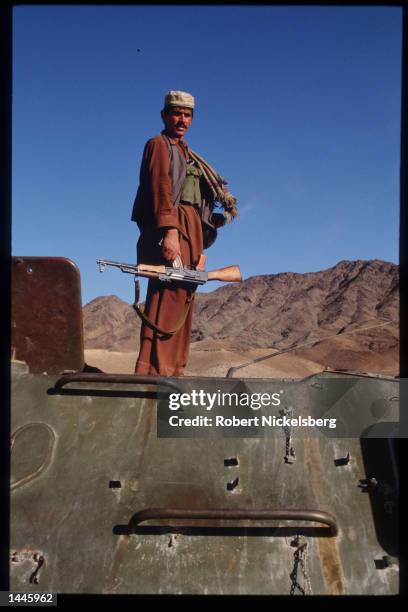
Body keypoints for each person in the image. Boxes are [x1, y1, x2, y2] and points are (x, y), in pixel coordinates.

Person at [131, 90, 237, 376]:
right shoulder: (158, 144)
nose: (182, 119)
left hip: (191, 226)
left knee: (184, 292)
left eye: (187, 115)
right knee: (168, 292)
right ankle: (155, 369)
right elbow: (161, 188)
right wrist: (170, 231)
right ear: (165, 116)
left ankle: (175, 367)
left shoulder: (187, 152)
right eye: (176, 114)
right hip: (173, 223)